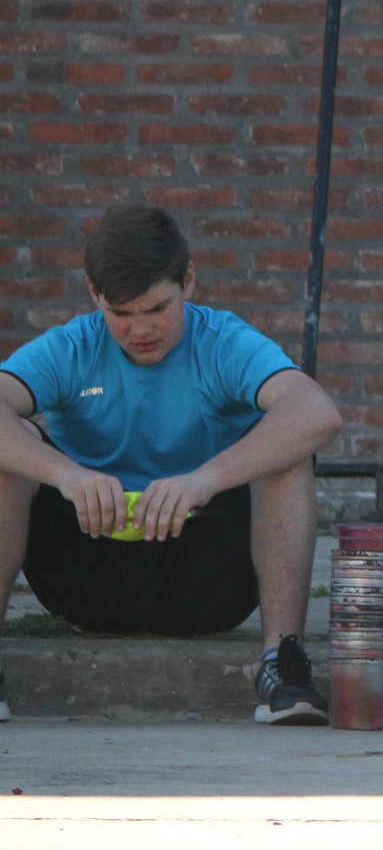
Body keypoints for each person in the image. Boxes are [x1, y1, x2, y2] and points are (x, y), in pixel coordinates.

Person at [0, 205, 343, 725]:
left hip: (202, 574)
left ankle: (283, 663)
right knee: (12, 450)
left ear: (188, 281)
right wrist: (66, 474)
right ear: (94, 294)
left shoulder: (222, 341)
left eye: (158, 308)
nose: (141, 329)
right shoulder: (72, 347)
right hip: (88, 568)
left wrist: (203, 480)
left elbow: (317, 412)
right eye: (121, 312)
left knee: (286, 451)